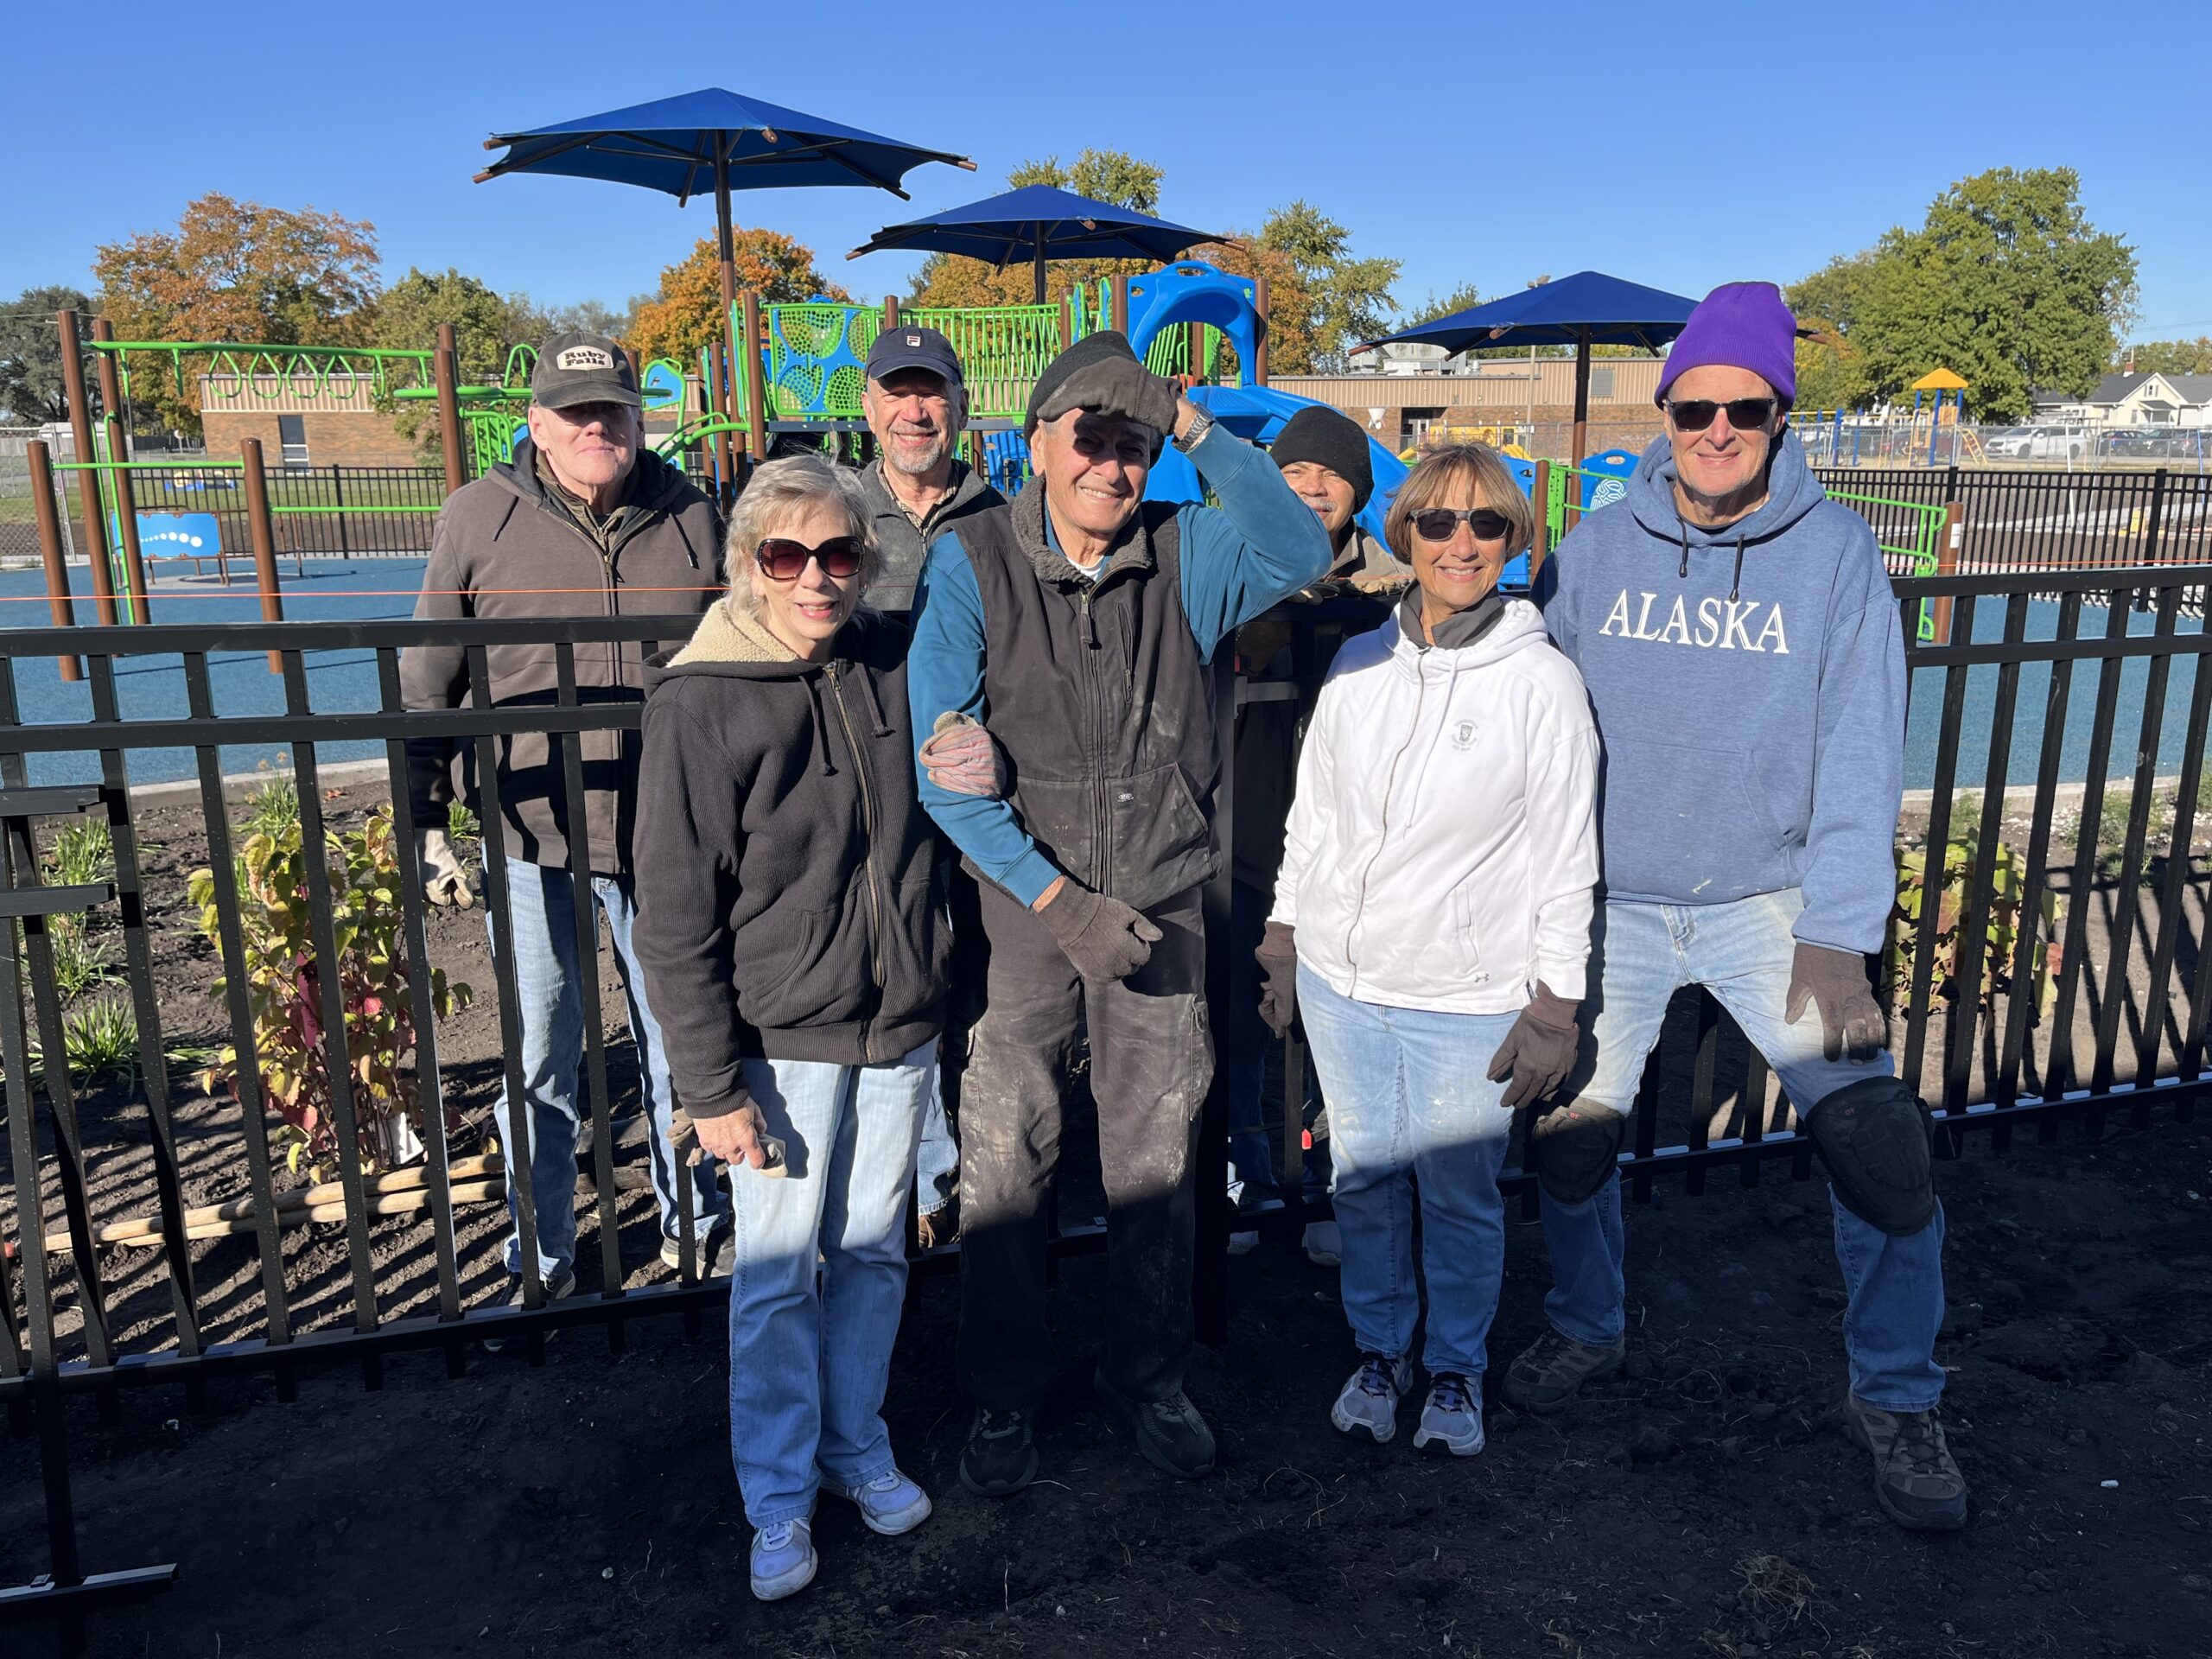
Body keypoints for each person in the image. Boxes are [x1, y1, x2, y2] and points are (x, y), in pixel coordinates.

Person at [1523, 282, 1967, 1531]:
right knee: (1571, 1132)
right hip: (1614, 900)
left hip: (1772, 905)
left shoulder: (1837, 556)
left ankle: (1894, 1396)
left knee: (1878, 1145)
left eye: (1745, 409)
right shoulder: (1599, 548)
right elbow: (1526, 708)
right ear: (1666, 411)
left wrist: (1841, 932)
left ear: (1780, 416)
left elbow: (1862, 745)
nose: (1717, 429)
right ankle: (1586, 1329)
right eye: (1696, 406)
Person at [906, 332, 1331, 1496]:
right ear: (1037, 443)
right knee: (1010, 1153)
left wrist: (1196, 425)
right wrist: (1054, 899)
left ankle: (1148, 1377)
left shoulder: (1185, 553)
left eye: (1133, 442)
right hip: (1032, 909)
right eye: (1089, 435)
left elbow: (1298, 542)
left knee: (1155, 1151)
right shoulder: (974, 560)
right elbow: (940, 771)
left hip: (1162, 901)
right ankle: (1004, 1394)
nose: (1111, 462)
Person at [630, 454, 954, 1600]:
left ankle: (851, 1444)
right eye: (789, 555)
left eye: (840, 554)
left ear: (867, 562)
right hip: (781, 1043)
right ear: (750, 566)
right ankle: (775, 1495)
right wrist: (711, 1087)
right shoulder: (701, 698)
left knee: (871, 1254)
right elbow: (670, 916)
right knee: (775, 1277)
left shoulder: (895, 661)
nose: (818, 577)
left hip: (897, 1021)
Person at [1259, 442, 1599, 1456]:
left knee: (1456, 1195)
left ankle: (1454, 1370)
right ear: (1401, 533)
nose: (1460, 542)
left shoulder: (1541, 683)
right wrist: (1285, 932)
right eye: (1438, 522)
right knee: (1362, 1182)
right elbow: (1312, 818)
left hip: (1465, 992)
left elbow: (1564, 852)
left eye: (1486, 524)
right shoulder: (1358, 659)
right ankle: (1380, 1351)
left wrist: (1554, 1006)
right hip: (1342, 980)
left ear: (1513, 540)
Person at [400, 331, 728, 1321]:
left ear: (638, 420)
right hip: (527, 831)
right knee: (542, 1051)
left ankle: (694, 1235)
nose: (598, 427)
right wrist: (422, 815)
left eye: (614, 411)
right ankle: (537, 1256)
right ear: (537, 423)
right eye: (576, 412)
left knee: (682, 1040)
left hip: (668, 835)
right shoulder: (478, 515)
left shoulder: (691, 516)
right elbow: (428, 677)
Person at [1227, 405, 1406, 1263]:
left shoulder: (1397, 586)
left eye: (1329, 476)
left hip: (1359, 848)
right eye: (1293, 473)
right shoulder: (1234, 567)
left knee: (1349, 1021)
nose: (1310, 488)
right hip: (1247, 829)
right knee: (1246, 1013)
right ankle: (1249, 1178)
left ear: (1358, 495)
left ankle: (1338, 1176)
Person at [857, 325, 1005, 1249]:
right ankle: (916, 1179)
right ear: (869, 408)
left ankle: (989, 1175)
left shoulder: (1006, 519)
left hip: (984, 794)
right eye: (898, 392)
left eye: (933, 392)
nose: (917, 410)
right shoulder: (832, 513)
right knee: (898, 981)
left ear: (958, 405)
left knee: (988, 991)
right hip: (869, 791)